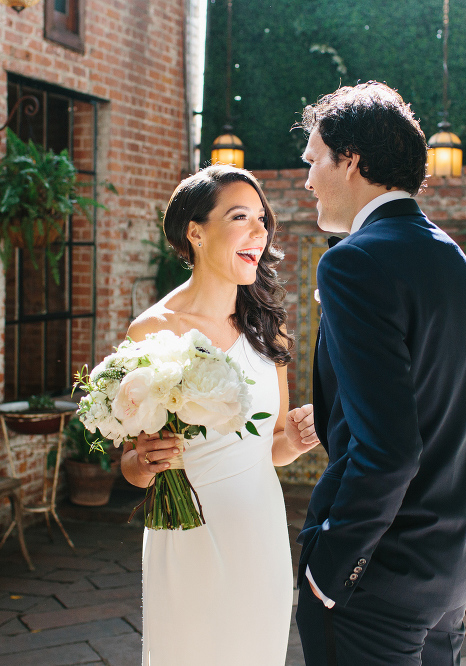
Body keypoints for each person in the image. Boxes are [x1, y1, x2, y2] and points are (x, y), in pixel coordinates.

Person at [294, 82, 466, 666]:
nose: (308, 179)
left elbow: (387, 449)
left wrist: (330, 568)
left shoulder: (352, 262)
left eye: (314, 160)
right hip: (452, 569)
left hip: (377, 580)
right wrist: (450, 518)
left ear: (352, 162)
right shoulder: (451, 255)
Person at [123, 165, 320, 665]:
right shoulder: (152, 333)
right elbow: (130, 466)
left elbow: (270, 447)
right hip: (186, 536)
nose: (260, 231)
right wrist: (145, 462)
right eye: (240, 216)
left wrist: (295, 442)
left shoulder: (267, 332)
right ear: (196, 231)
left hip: (260, 533)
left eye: (262, 218)